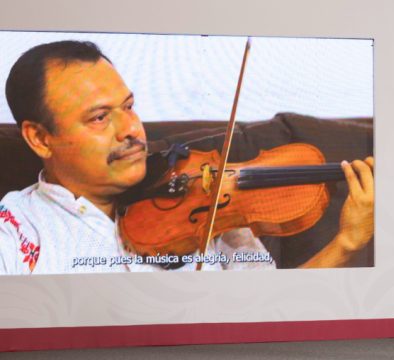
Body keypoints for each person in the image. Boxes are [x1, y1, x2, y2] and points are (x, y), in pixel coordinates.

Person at [0, 40, 374, 274]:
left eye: (129, 107)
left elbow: (275, 316)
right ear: (39, 138)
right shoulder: (14, 233)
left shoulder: (206, 202)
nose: (131, 129)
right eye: (99, 118)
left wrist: (346, 243)